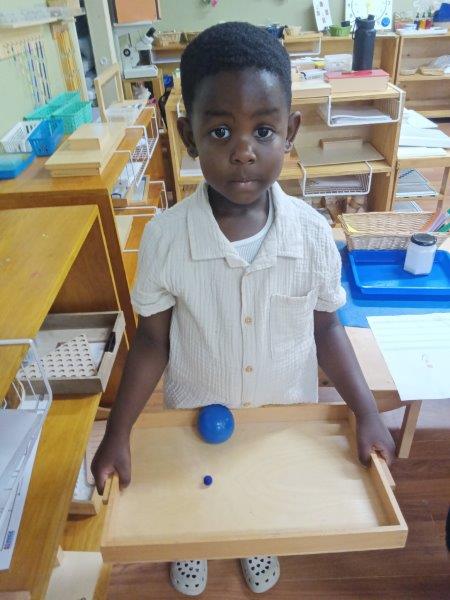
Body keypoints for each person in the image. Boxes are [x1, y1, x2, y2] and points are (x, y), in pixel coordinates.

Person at [92, 21, 395, 596]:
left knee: (263, 496)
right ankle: (195, 545)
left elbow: (328, 330)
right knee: (194, 496)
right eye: (221, 131)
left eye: (263, 130)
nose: (243, 151)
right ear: (188, 135)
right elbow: (152, 341)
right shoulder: (165, 239)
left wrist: (366, 412)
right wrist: (118, 431)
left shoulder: (313, 235)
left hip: (283, 419)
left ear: (290, 132)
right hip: (194, 417)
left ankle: (257, 536)